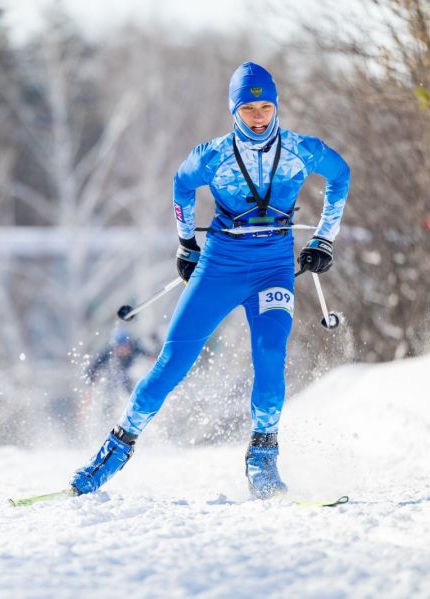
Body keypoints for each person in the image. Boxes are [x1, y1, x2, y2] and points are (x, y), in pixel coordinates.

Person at [69, 62, 350, 499]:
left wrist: (324, 240)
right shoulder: (212, 155)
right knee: (173, 361)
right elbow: (181, 186)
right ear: (233, 111)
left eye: (265, 106)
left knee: (271, 353)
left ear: (275, 106)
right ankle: (115, 449)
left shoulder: (300, 149)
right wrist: (186, 244)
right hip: (220, 265)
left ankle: (262, 457)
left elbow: (340, 175)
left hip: (274, 267)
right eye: (248, 108)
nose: (258, 116)